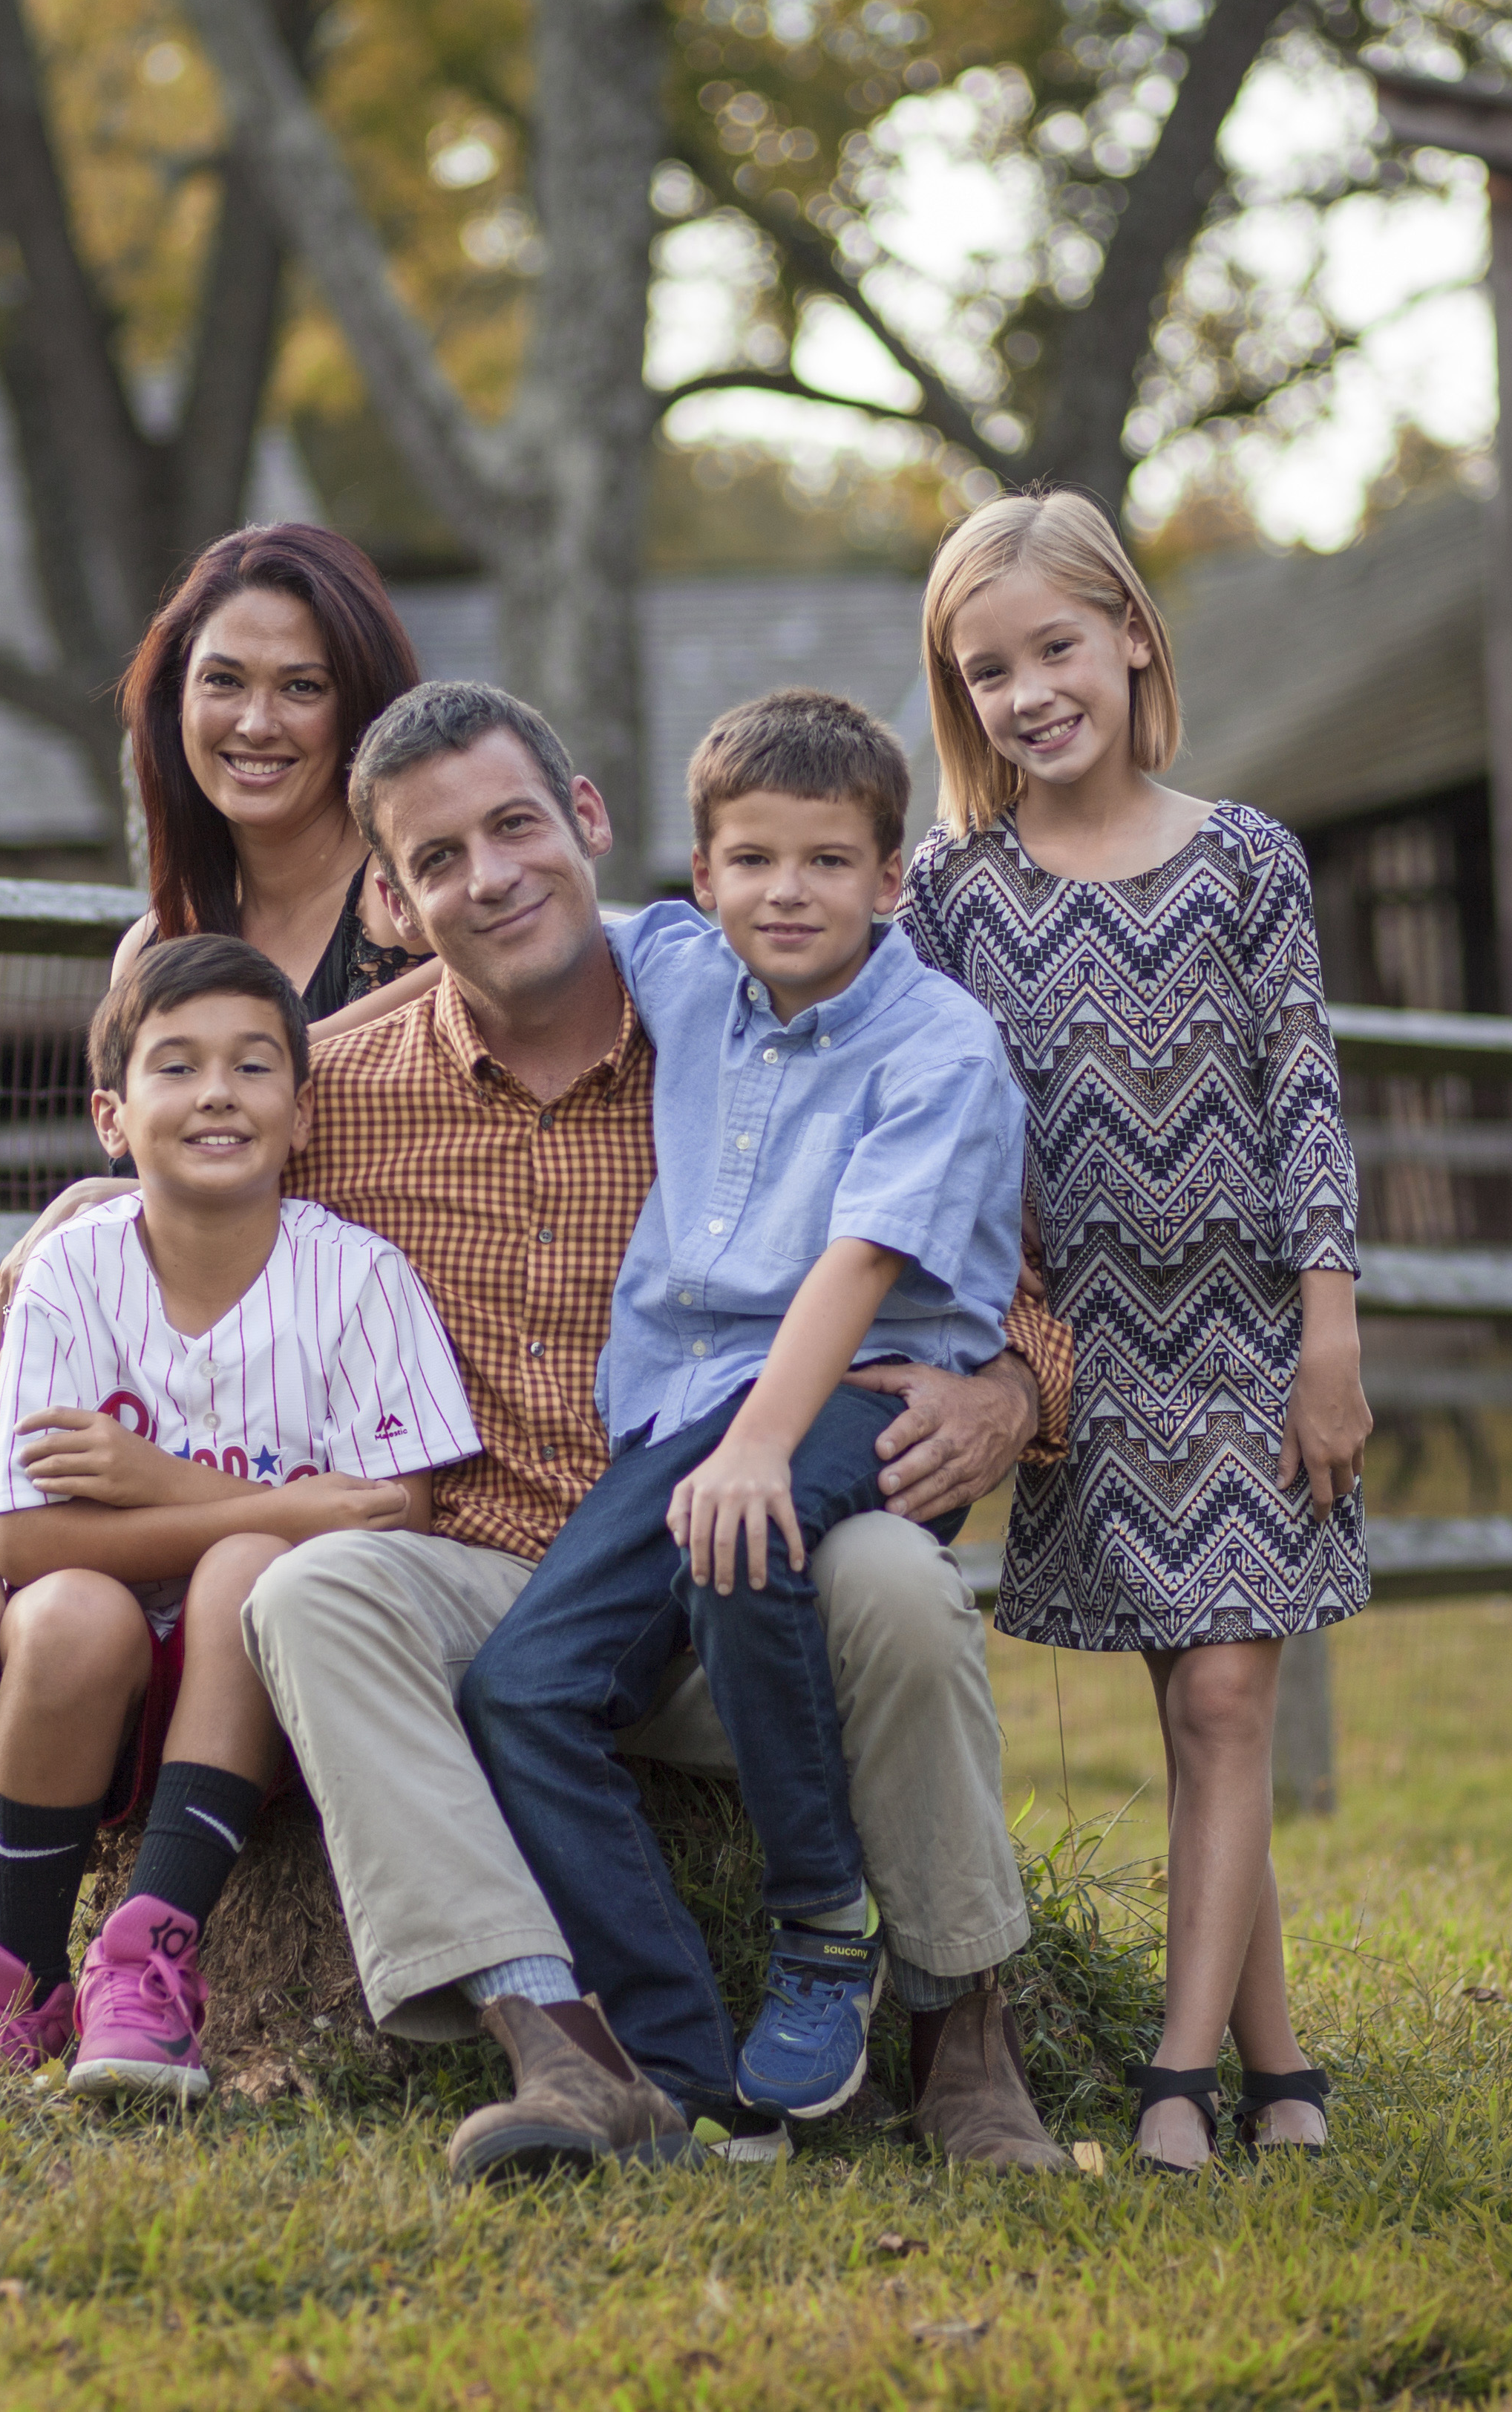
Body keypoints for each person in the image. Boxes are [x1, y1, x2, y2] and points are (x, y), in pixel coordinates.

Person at [0, 682, 1076, 2180]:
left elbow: (996, 1265)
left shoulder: (730, 1011)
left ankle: (963, 2040)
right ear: (391, 896)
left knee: (899, 1581)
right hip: (492, 1592)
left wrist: (1013, 1394)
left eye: (517, 826)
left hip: (745, 1585)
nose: (493, 876)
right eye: (439, 859)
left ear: (589, 823)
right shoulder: (343, 1102)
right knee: (306, 1585)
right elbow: (150, 1216)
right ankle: (567, 2050)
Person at [457, 689, 1026, 2128]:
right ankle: (690, 2074)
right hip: (687, 1411)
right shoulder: (678, 963)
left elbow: (861, 1261)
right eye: (754, 859)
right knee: (521, 1690)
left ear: (891, 881)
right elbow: (516, 929)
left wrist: (761, 1444)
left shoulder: (939, 1045)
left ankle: (823, 1915)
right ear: (700, 876)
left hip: (869, 1389)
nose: (788, 891)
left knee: (745, 1528)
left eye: (829, 861)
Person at [899, 490, 1371, 2174]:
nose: (1031, 690)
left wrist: (1333, 1325)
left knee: (1231, 1696)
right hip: (1084, 1354)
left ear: (1133, 637)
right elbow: (889, 1080)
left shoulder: (1245, 856)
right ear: (961, 700)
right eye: (989, 670)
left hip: (1247, 1338)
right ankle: (1280, 2072)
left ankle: (1175, 2084)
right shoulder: (950, 890)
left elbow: (1303, 1096)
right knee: (1194, 1707)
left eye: (1057, 647)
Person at [0, 935, 479, 2105]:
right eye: (174, 1067)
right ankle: (17, 1975)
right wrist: (280, 1502)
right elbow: (26, 1545)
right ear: (110, 1119)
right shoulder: (71, 1272)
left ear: (300, 1106)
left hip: (280, 1689)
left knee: (245, 1566)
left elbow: (394, 1509)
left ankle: (148, 1956)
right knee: (75, 1606)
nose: (217, 1093)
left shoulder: (359, 1278)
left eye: (251, 1066)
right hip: (100, 1686)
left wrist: (148, 1479)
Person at [111, 521, 433, 1033]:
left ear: (362, 707)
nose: (256, 725)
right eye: (223, 681)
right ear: (174, 699)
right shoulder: (151, 949)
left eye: (302, 686)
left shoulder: (414, 907)